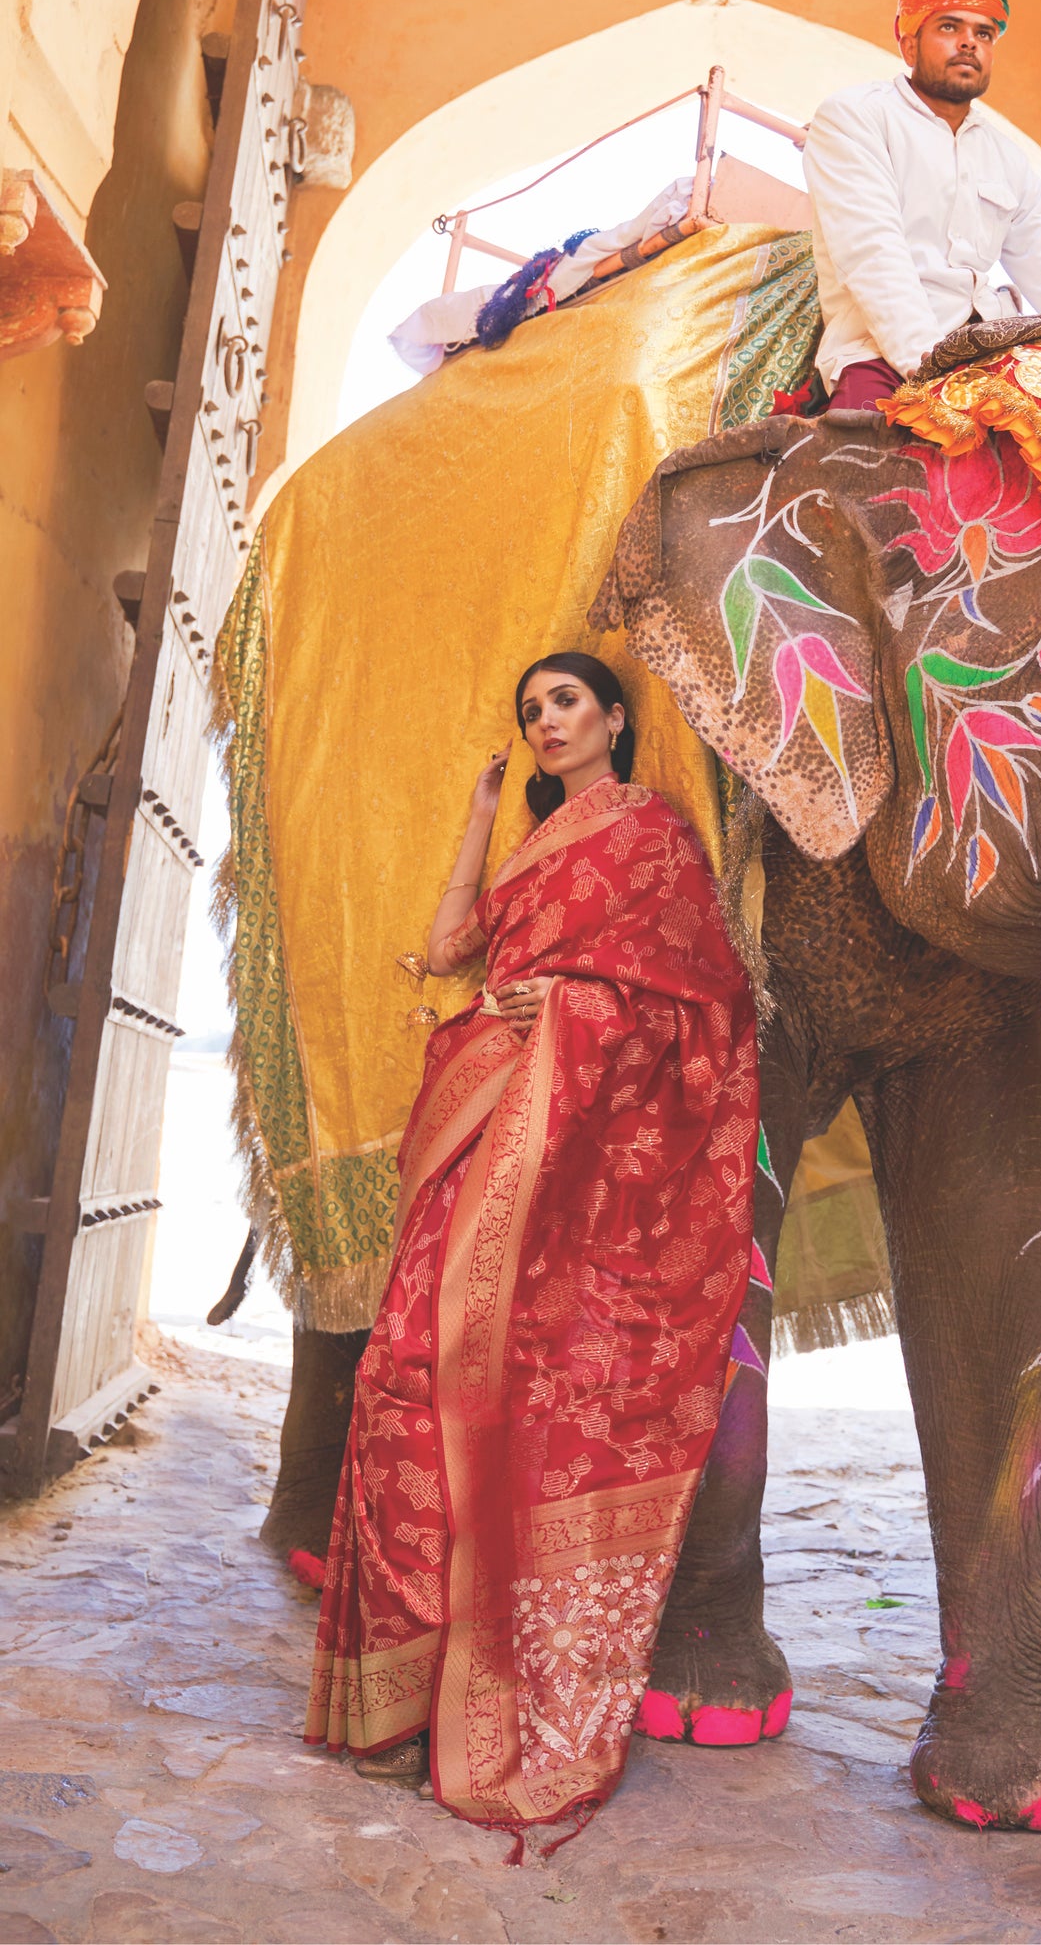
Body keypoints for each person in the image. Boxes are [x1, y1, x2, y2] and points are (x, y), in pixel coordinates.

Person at [305, 653, 759, 1852]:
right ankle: (403, 1691)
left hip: (569, 1156)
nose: (547, 721)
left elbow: (700, 1009)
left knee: (509, 1397)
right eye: (531, 709)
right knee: (404, 1371)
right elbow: (450, 946)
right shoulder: (534, 846)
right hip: (479, 1125)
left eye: (565, 702)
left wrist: (562, 1010)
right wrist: (476, 815)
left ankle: (498, 1695)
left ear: (614, 716)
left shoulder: (651, 837)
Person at [802, 0, 1041, 410]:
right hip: (881, 356)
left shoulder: (1006, 157)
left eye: (984, 34)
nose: (968, 43)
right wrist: (933, 371)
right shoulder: (856, 117)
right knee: (876, 468)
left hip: (990, 358)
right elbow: (873, 255)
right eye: (948, 26)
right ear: (908, 44)